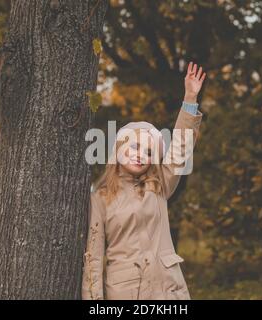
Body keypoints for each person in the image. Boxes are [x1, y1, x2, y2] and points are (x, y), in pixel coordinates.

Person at [82, 62, 206, 300]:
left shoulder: (159, 185)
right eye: (135, 146)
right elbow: (93, 257)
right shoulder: (100, 197)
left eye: (149, 152)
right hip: (126, 293)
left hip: (168, 291)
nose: (141, 155)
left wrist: (190, 97)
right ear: (119, 147)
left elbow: (181, 148)